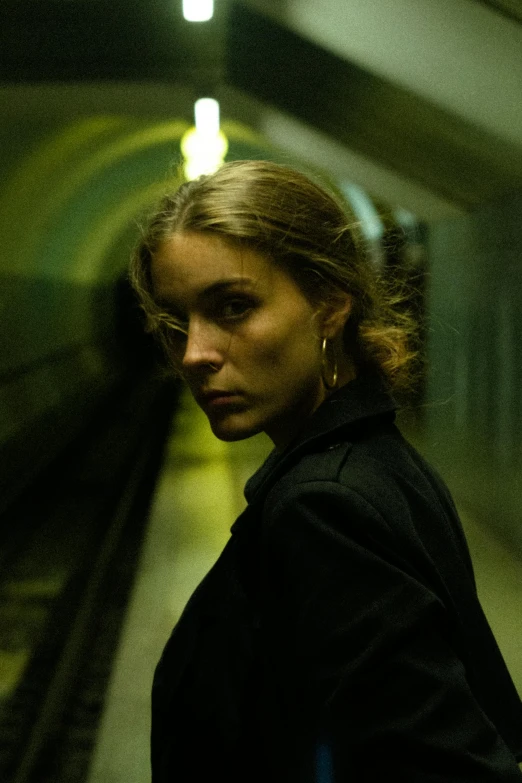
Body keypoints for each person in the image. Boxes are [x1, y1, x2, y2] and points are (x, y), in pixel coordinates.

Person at [130, 160, 522, 781]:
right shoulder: (380, 458)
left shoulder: (323, 508)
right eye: (177, 321)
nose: (194, 353)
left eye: (232, 307)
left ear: (329, 305)